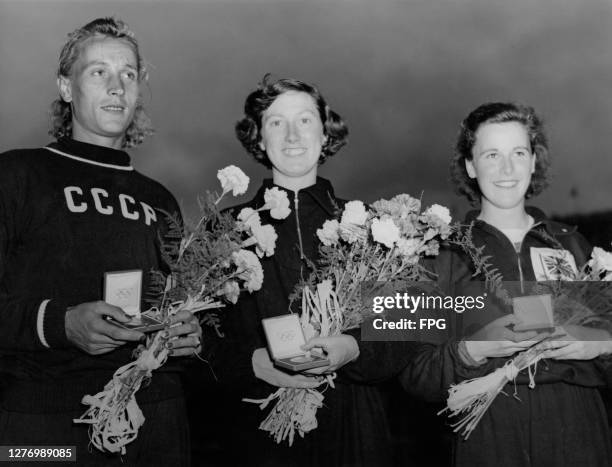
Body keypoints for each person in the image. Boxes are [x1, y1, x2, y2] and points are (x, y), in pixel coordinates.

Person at [0, 17, 201, 466]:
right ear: (66, 88)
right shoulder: (16, 175)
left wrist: (188, 333)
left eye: (129, 74)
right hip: (42, 429)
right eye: (99, 72)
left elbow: (177, 306)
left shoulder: (161, 198)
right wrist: (60, 324)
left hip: (157, 422)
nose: (117, 86)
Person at [203, 75, 404, 467]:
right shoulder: (223, 229)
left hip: (354, 427)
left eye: (306, 120)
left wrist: (354, 348)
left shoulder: (371, 226)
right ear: (259, 138)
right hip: (257, 431)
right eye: (277, 122)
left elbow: (408, 333)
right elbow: (198, 344)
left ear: (325, 133)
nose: (293, 134)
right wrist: (248, 363)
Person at [400, 102, 612, 466]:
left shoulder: (575, 246)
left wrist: (599, 343)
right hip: (486, 433)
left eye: (518, 153)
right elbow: (412, 375)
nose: (507, 168)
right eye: (492, 154)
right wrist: (474, 348)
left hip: (577, 431)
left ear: (533, 160)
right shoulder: (436, 255)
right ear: (470, 165)